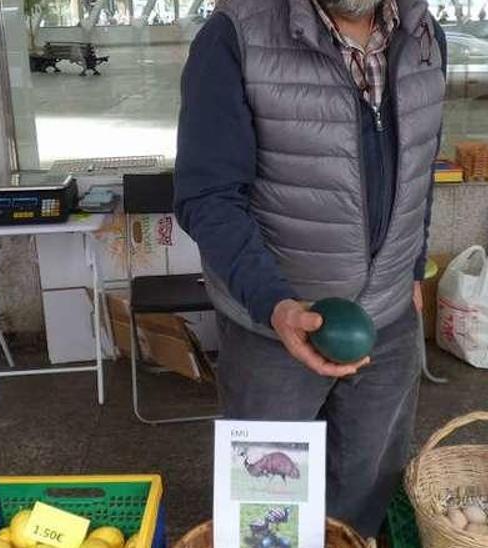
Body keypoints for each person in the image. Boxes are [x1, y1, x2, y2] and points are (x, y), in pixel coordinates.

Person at [174, 0, 446, 538]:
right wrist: (274, 302)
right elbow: (207, 195)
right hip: (273, 327)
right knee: (267, 511)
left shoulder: (424, 34)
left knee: (363, 493)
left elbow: (422, 161)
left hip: (386, 324)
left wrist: (411, 266)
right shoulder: (235, 35)